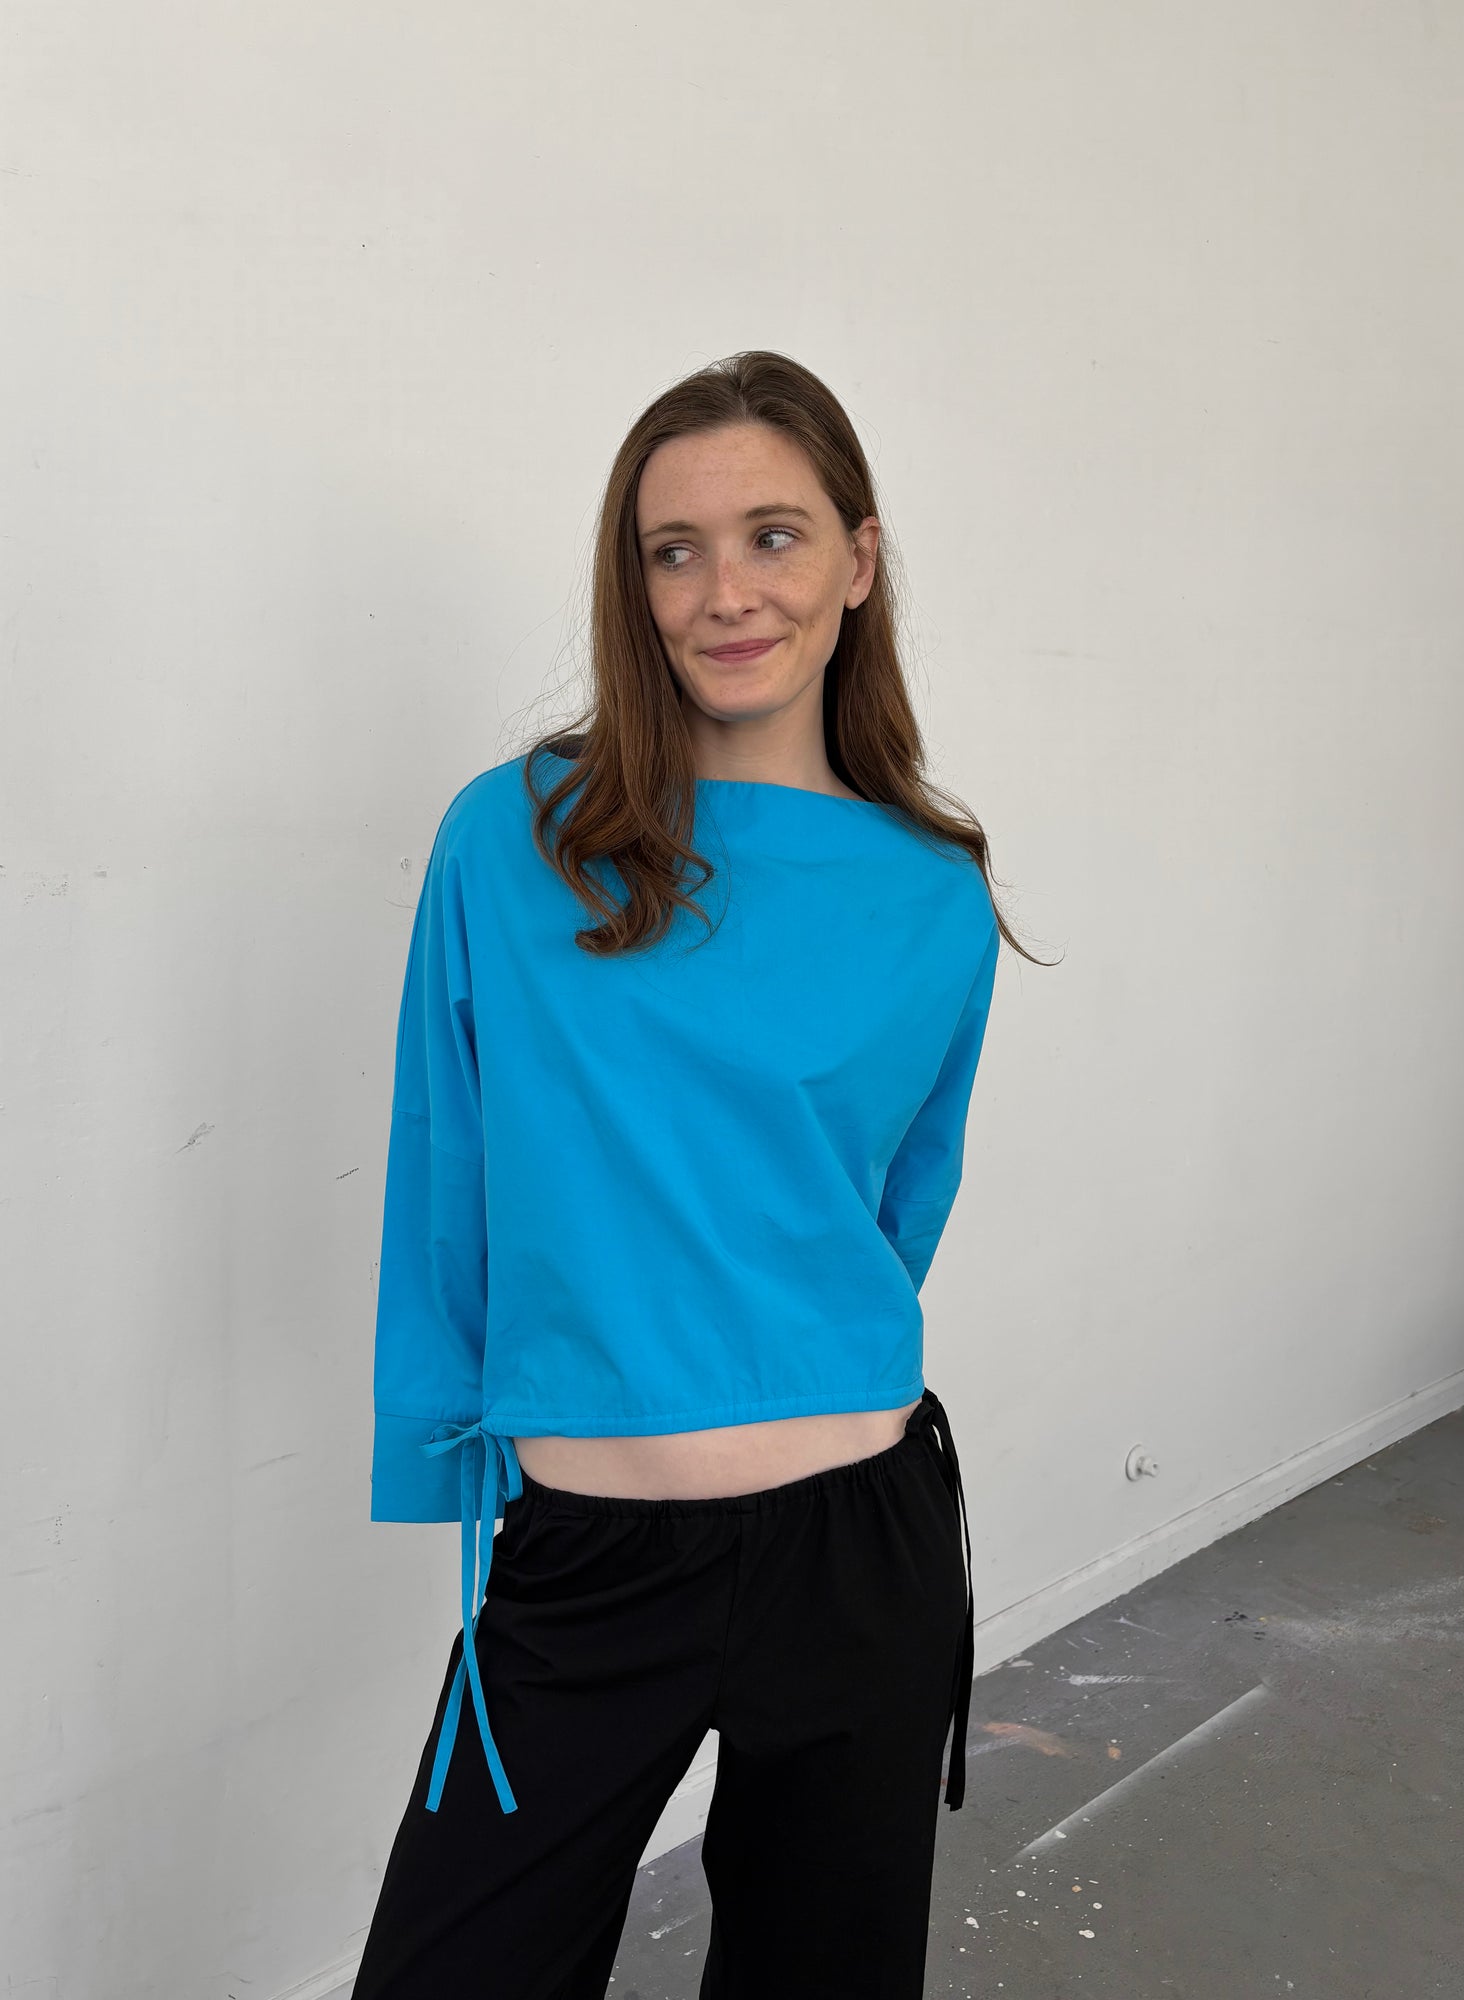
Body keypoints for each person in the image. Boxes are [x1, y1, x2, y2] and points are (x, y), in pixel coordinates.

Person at [350, 350, 1049, 1999]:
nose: (726, 593)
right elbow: (445, 1160)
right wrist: (440, 1434)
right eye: (676, 550)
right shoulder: (511, 839)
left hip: (859, 1547)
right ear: (635, 582)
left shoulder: (933, 889)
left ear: (857, 560)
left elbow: (896, 1207)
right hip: (586, 1557)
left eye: (772, 536)